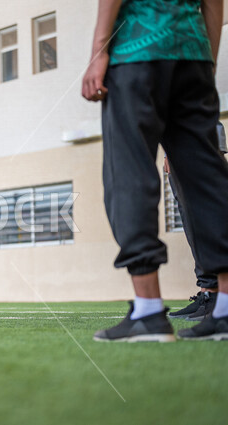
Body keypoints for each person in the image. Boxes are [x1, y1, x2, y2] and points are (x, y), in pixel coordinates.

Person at [82, 0, 228, 342]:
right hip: (194, 53)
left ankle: (147, 310)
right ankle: (224, 310)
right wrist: (207, 62)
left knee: (129, 171)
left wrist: (99, 50)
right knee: (208, 176)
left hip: (136, 51)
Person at [166, 123, 226, 321]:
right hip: (179, 140)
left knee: (206, 213)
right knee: (191, 217)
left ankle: (218, 294)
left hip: (197, 139)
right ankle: (209, 291)